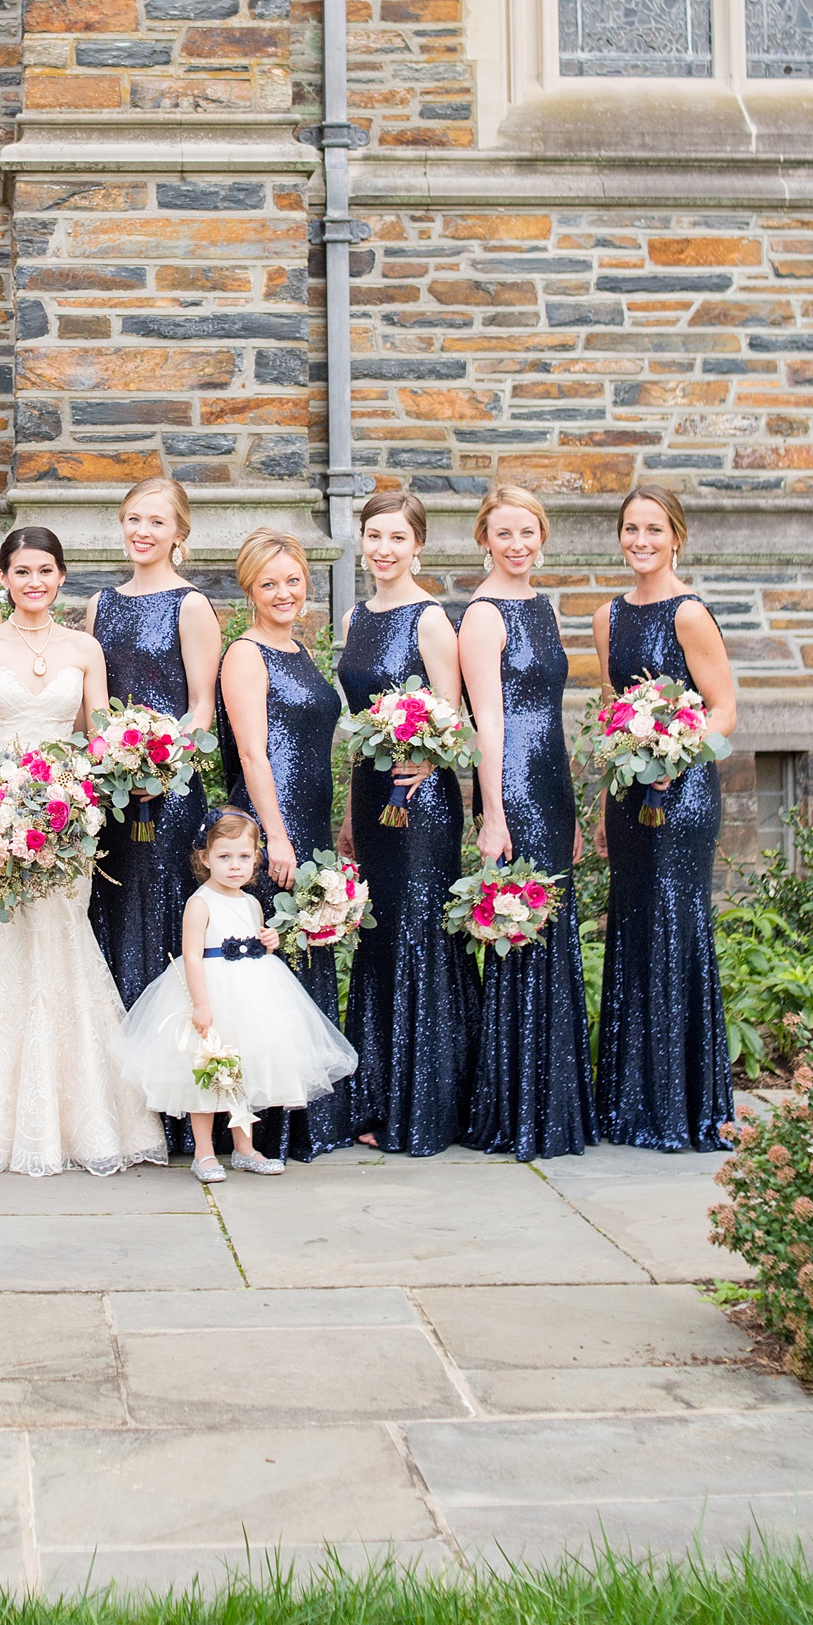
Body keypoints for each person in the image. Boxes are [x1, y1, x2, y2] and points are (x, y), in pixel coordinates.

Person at [0, 526, 165, 1177]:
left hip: (66, 816)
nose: (33, 582)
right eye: (21, 571)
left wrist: (71, 784)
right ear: (4, 578)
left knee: (60, 940)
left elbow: (99, 732)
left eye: (45, 571)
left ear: (61, 577)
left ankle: (81, 1121)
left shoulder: (85, 647)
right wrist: (4, 788)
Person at [593, 484, 736, 1152]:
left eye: (654, 529)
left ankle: (682, 1107)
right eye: (630, 529)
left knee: (675, 928)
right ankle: (629, 1106)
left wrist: (682, 754)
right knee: (633, 927)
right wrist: (603, 801)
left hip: (682, 797)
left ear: (676, 535)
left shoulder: (690, 614)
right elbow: (611, 714)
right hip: (628, 799)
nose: (641, 541)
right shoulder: (608, 616)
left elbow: (726, 708)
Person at [338, 488, 480, 1156]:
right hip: (371, 798)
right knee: (379, 937)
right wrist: (347, 814)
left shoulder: (430, 620)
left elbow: (455, 719)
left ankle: (425, 1104)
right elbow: (355, 726)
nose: (384, 549)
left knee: (420, 935)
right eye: (374, 536)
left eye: (397, 538)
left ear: (417, 544)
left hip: (420, 802)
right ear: (361, 540)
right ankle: (375, 1097)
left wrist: (428, 762)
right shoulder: (352, 618)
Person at [460, 487, 596, 1161]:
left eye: (529, 533)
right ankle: (517, 1109)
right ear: (484, 539)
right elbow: (487, 721)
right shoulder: (482, 617)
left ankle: (556, 1104)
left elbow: (555, 710)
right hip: (511, 783)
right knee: (519, 934)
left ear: (543, 537)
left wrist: (569, 800)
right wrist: (492, 814)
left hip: (551, 786)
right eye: (505, 533)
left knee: (551, 932)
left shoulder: (542, 607)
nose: (518, 545)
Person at [111, 809, 356, 1185]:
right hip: (211, 993)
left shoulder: (251, 903)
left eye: (243, 857)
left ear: (256, 858)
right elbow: (191, 955)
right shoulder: (200, 902)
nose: (235, 866)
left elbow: (256, 944)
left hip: (253, 996)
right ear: (206, 858)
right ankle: (204, 1153)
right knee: (206, 1074)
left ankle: (245, 1149)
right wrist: (201, 1004)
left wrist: (270, 942)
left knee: (244, 1069)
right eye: (224, 857)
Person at [218, 525, 352, 1161]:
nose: (283, 592)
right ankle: (261, 1131)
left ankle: (306, 1124)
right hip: (272, 828)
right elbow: (251, 750)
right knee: (265, 980)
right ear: (249, 588)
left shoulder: (298, 650)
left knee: (301, 965)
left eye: (293, 580)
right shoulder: (246, 654)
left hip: (311, 826)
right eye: (269, 583)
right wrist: (274, 833)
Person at [86, 479, 222, 1020]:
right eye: (134, 519)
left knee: (165, 908)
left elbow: (201, 706)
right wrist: (107, 763)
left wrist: (162, 766)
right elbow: (94, 708)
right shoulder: (101, 606)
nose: (143, 532)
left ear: (179, 534)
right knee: (114, 905)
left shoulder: (190, 605)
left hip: (170, 791)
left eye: (157, 522)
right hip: (111, 795)